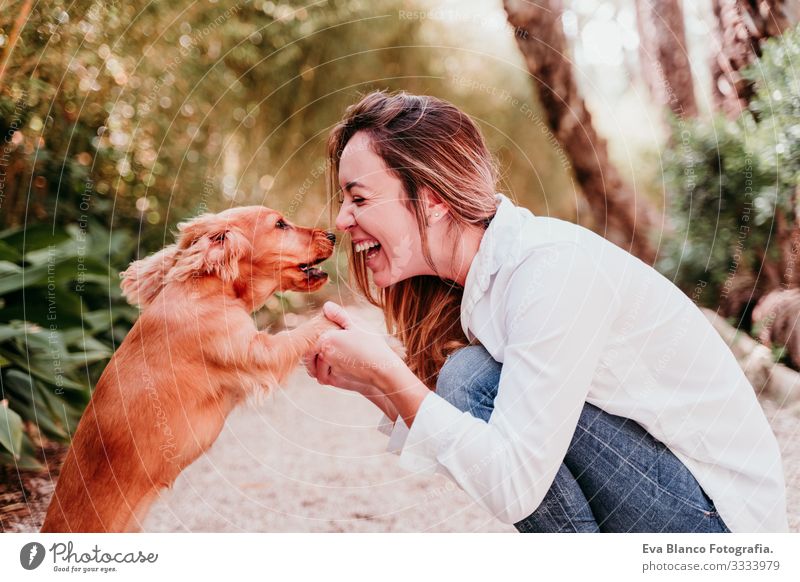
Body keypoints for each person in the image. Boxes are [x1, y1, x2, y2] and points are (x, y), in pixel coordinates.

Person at [304, 90, 789, 533]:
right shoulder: (490, 279)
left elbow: (513, 484)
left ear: (430, 199)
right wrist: (373, 384)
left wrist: (390, 373)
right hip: (679, 506)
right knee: (467, 381)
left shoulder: (549, 270)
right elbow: (474, 450)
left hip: (721, 532)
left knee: (470, 379)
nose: (343, 219)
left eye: (359, 198)